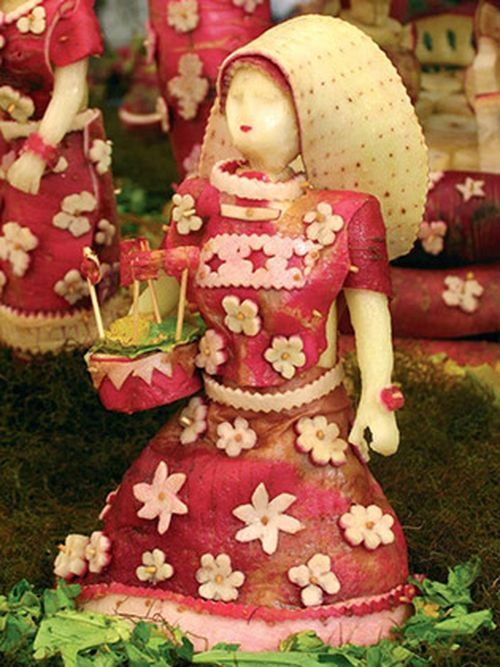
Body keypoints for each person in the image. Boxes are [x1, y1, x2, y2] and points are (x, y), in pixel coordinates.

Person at [58, 15, 428, 650]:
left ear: (310, 114)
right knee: (168, 516)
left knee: (327, 540)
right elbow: (163, 303)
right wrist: (128, 332)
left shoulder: (345, 215)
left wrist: (377, 398)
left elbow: (372, 313)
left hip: (308, 423)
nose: (246, 115)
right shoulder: (200, 202)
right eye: (236, 99)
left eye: (268, 100)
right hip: (216, 415)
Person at [0, 0, 122, 354]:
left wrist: (38, 152)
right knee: (15, 241)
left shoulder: (64, 12)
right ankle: (20, 322)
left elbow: (70, 91)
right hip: (8, 144)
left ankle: (67, 332)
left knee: (59, 246)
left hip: (60, 156)